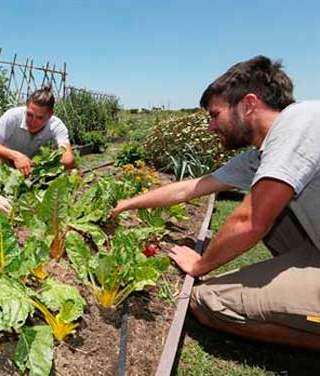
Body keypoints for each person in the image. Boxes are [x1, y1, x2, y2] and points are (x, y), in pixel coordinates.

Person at [112, 55, 320, 349]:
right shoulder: (261, 154)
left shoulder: (299, 123)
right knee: (279, 209)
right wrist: (126, 204)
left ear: (248, 105)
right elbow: (190, 188)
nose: (211, 126)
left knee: (206, 303)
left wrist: (199, 265)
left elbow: (250, 221)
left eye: (214, 114)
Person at [0, 86, 74, 176]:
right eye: (29, 115)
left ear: (50, 115)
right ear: (26, 107)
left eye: (40, 117)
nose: (33, 121)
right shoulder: (13, 116)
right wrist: (16, 156)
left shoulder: (56, 125)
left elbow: (68, 159)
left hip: (30, 167)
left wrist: (43, 167)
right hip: (6, 161)